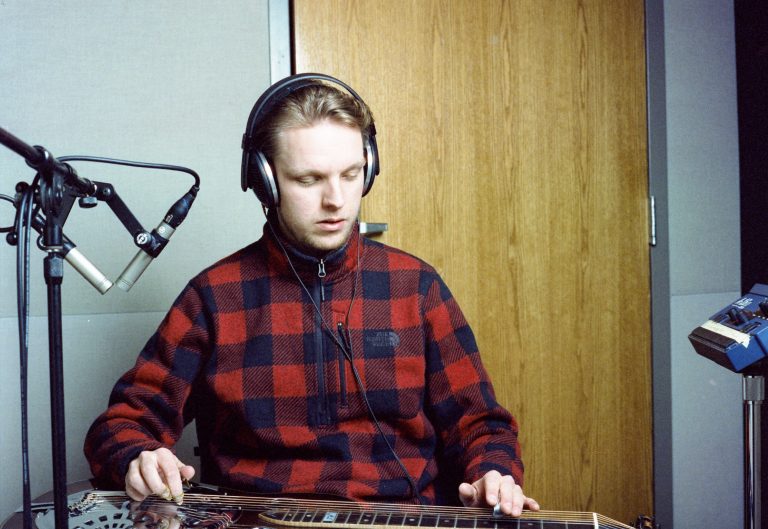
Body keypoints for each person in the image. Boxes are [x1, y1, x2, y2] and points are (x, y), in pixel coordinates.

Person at [84, 74, 539, 517]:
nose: (337, 200)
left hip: (401, 519)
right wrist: (137, 457)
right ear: (265, 181)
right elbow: (125, 423)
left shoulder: (416, 287)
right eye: (309, 180)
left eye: (352, 174)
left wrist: (494, 472)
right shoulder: (213, 298)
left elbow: (480, 425)